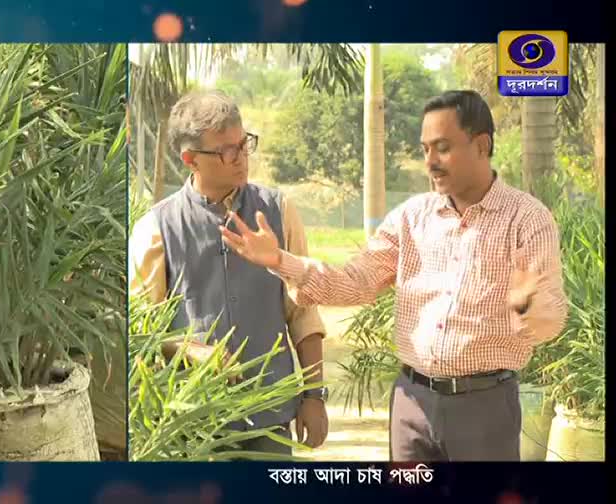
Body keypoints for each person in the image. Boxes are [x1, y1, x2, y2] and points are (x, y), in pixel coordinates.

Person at [219, 90, 568, 462]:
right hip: (411, 403)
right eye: (425, 149)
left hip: (484, 407)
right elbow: (355, 281)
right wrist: (280, 260)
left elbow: (551, 318)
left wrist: (529, 306)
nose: (430, 162)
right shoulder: (411, 218)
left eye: (443, 148)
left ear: (482, 145)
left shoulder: (526, 219)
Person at [129, 90, 329, 456]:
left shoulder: (278, 211)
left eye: (243, 144)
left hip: (270, 417)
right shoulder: (156, 229)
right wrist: (190, 350)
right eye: (226, 151)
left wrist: (314, 396)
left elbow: (303, 312)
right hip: (192, 424)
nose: (241, 158)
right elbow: (144, 333)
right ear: (191, 160)